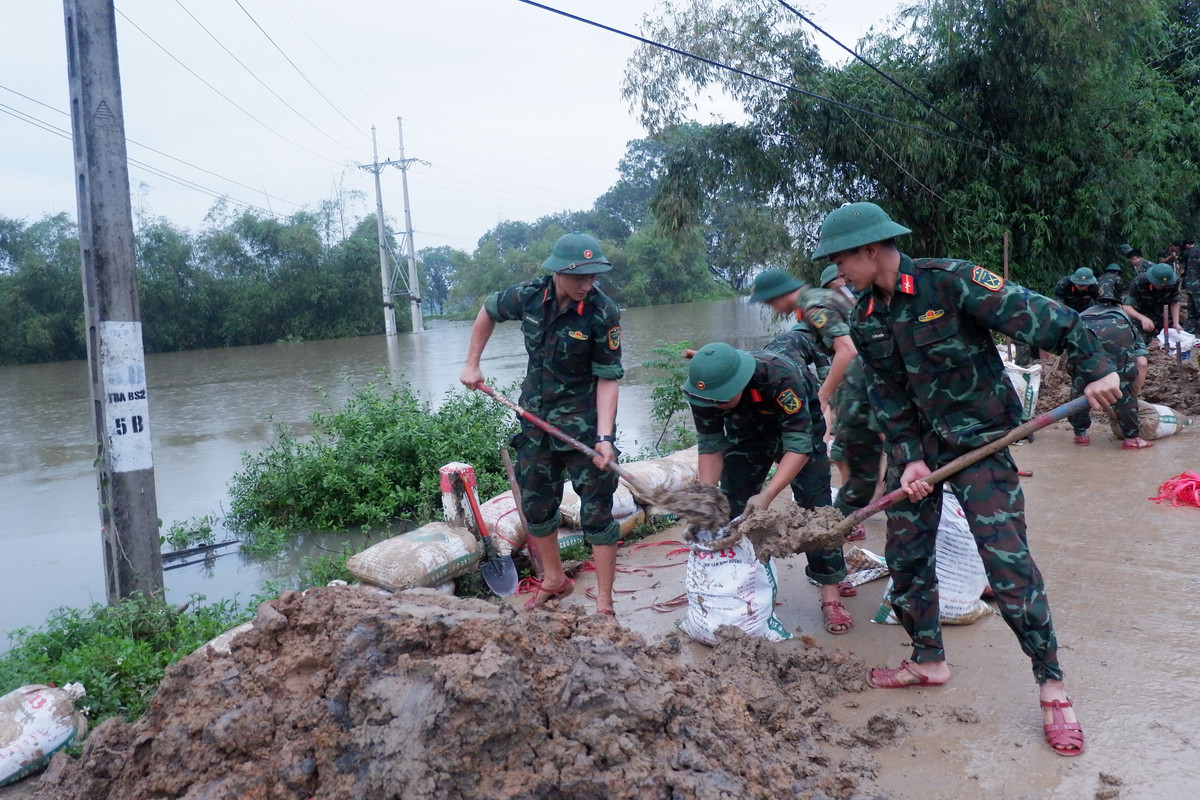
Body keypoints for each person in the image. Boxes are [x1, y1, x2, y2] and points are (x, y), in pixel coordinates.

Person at [812, 201, 1121, 758]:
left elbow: (1045, 318)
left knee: (1008, 567)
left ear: (871, 249)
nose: (839, 273)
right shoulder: (864, 317)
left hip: (982, 444)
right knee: (905, 560)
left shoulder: (951, 282)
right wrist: (908, 458)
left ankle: (1052, 685)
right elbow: (890, 396)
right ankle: (927, 659)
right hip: (921, 455)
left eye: (841, 261)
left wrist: (1096, 369)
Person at [459, 232, 623, 619]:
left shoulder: (602, 311)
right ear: (559, 273)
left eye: (594, 277)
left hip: (582, 425)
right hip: (535, 419)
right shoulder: (530, 295)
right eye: (580, 277)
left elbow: (608, 378)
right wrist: (472, 362)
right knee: (535, 505)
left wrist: (604, 437)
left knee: (597, 512)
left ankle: (604, 603)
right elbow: (488, 310)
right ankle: (554, 579)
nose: (588, 284)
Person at [682, 342, 853, 635]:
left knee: (816, 506)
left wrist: (768, 494)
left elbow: (798, 446)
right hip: (747, 434)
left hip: (800, 431)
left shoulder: (780, 376)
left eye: (721, 400)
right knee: (730, 505)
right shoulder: (704, 394)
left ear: (740, 382)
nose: (714, 405)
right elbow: (710, 445)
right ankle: (741, 584)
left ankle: (830, 593)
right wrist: (707, 494)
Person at [1068, 283, 1152, 449]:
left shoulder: (1082, 315)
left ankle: (1080, 434)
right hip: (1118, 333)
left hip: (1082, 331)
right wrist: (1133, 391)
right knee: (1122, 385)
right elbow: (1142, 363)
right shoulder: (1124, 318)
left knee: (1080, 382)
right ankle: (1132, 439)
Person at [1122, 262, 1183, 343]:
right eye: (1160, 284)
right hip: (1142, 313)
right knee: (1140, 341)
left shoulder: (1174, 281)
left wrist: (1176, 323)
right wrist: (1143, 318)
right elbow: (1126, 307)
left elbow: (1174, 301)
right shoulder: (1140, 281)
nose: (1163, 286)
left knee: (1174, 339)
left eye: (1165, 285)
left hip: (1163, 312)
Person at [1180, 237, 1200, 335]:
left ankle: (1189, 333)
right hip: (1198, 286)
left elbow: (1185, 269)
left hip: (1190, 286)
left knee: (1192, 313)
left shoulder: (1190, 252)